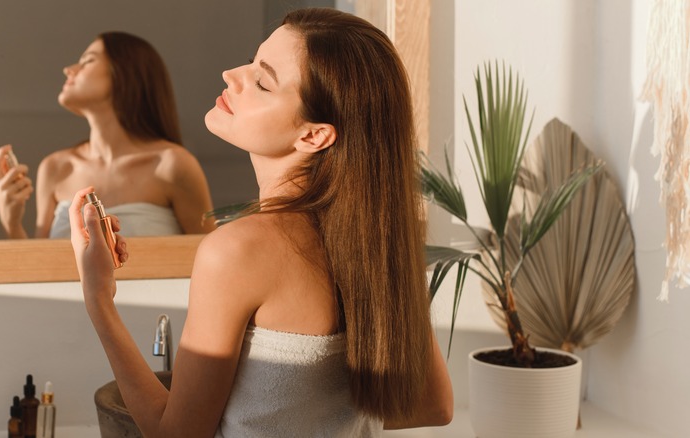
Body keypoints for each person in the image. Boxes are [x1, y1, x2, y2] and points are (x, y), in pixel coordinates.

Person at [70, 8, 453, 437]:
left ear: (313, 136)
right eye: (252, 61)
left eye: (262, 80)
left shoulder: (237, 250)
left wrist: (99, 300)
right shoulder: (378, 247)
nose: (232, 74)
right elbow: (433, 407)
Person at [0, 31, 215, 239]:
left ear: (125, 72)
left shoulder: (173, 165)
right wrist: (11, 222)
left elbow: (207, 257)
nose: (69, 69)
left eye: (88, 60)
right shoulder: (56, 168)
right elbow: (39, 268)